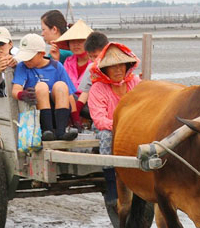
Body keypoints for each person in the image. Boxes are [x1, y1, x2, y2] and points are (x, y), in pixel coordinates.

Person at [88, 42, 141, 215]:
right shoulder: (98, 88)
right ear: (105, 70)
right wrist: (121, 126)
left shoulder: (135, 83)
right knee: (105, 135)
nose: (118, 70)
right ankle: (111, 183)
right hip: (109, 128)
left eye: (121, 65)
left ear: (127, 66)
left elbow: (144, 107)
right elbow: (99, 119)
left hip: (134, 126)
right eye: (113, 67)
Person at [11, 33, 78, 141]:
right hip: (37, 111)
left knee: (60, 86)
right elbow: (15, 90)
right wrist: (23, 94)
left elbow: (69, 95)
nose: (26, 61)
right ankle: (47, 131)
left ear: (41, 54)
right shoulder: (22, 66)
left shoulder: (56, 66)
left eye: (30, 58)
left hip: (57, 109)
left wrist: (76, 120)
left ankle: (61, 132)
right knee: (41, 87)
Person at [55, 19, 93, 130]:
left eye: (80, 41)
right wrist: (56, 59)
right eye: (72, 41)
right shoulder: (68, 61)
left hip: (89, 102)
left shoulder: (95, 62)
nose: (76, 44)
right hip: (70, 100)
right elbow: (62, 83)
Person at [76, 31, 109, 120]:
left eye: (96, 56)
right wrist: (76, 112)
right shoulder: (91, 68)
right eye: (90, 57)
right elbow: (85, 92)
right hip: (98, 106)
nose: (94, 60)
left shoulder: (116, 66)